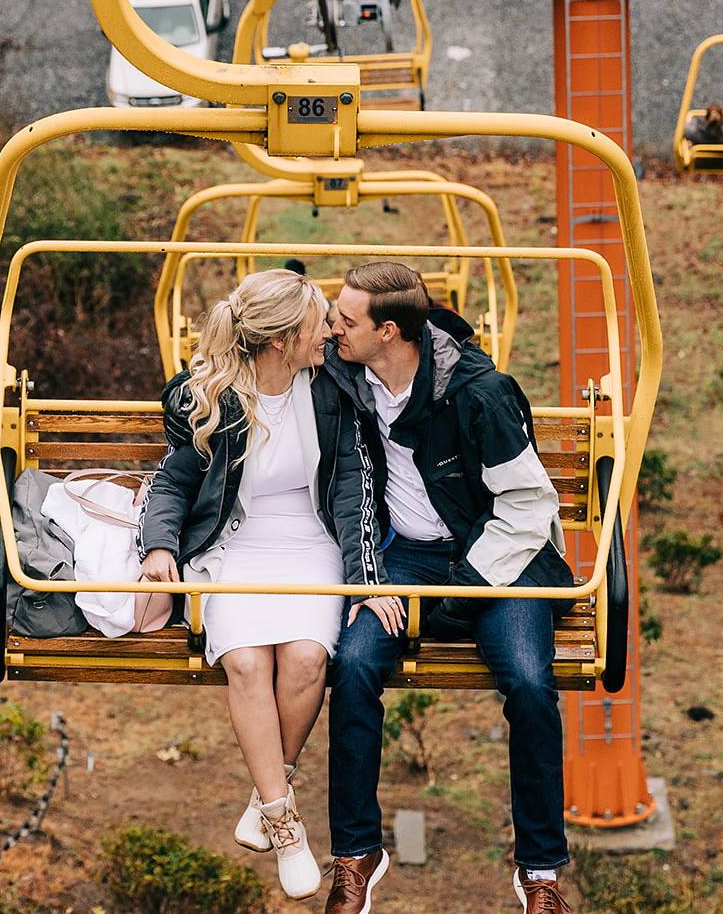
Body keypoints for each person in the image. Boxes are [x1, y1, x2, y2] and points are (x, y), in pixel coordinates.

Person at [321, 262, 574, 914]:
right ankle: (355, 853)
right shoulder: (343, 375)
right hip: (407, 556)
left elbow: (526, 505)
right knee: (353, 666)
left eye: (344, 319)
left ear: (388, 331)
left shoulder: (479, 393)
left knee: (529, 682)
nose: (331, 327)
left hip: (495, 556)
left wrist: (462, 591)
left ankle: (540, 871)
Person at [137, 268, 381, 903]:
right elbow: (173, 481)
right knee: (245, 662)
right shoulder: (211, 396)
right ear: (282, 340)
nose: (330, 332)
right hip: (237, 542)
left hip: (309, 540)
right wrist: (160, 545)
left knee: (305, 657)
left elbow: (351, 488)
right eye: (318, 324)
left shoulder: (331, 387)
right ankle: (286, 826)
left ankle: (266, 792)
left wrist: (362, 578)